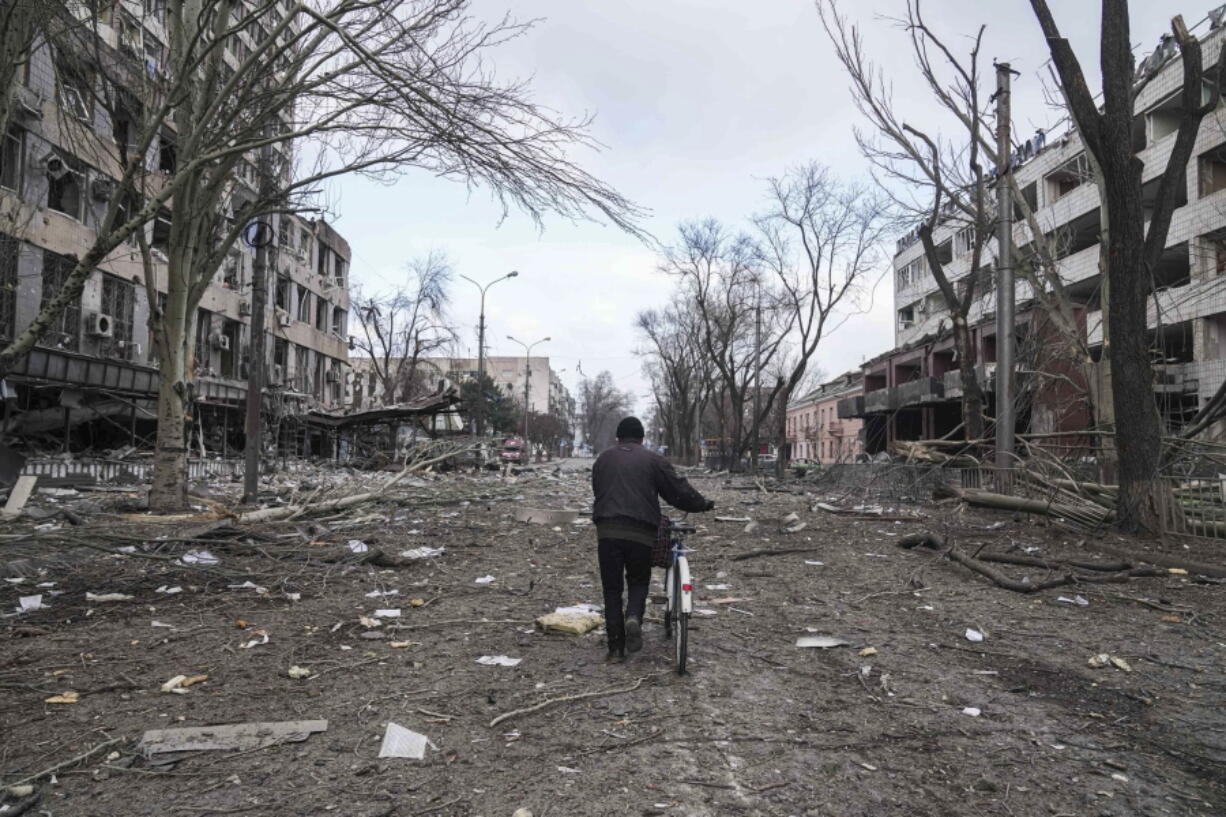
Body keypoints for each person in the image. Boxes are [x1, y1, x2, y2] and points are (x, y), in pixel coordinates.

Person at [591, 417, 714, 663]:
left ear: (618, 437)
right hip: (641, 532)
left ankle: (616, 648)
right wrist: (702, 504)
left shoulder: (603, 459)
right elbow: (677, 491)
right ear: (642, 438)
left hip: (607, 531)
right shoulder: (653, 460)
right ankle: (634, 616)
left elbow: (598, 490)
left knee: (612, 588)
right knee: (638, 580)